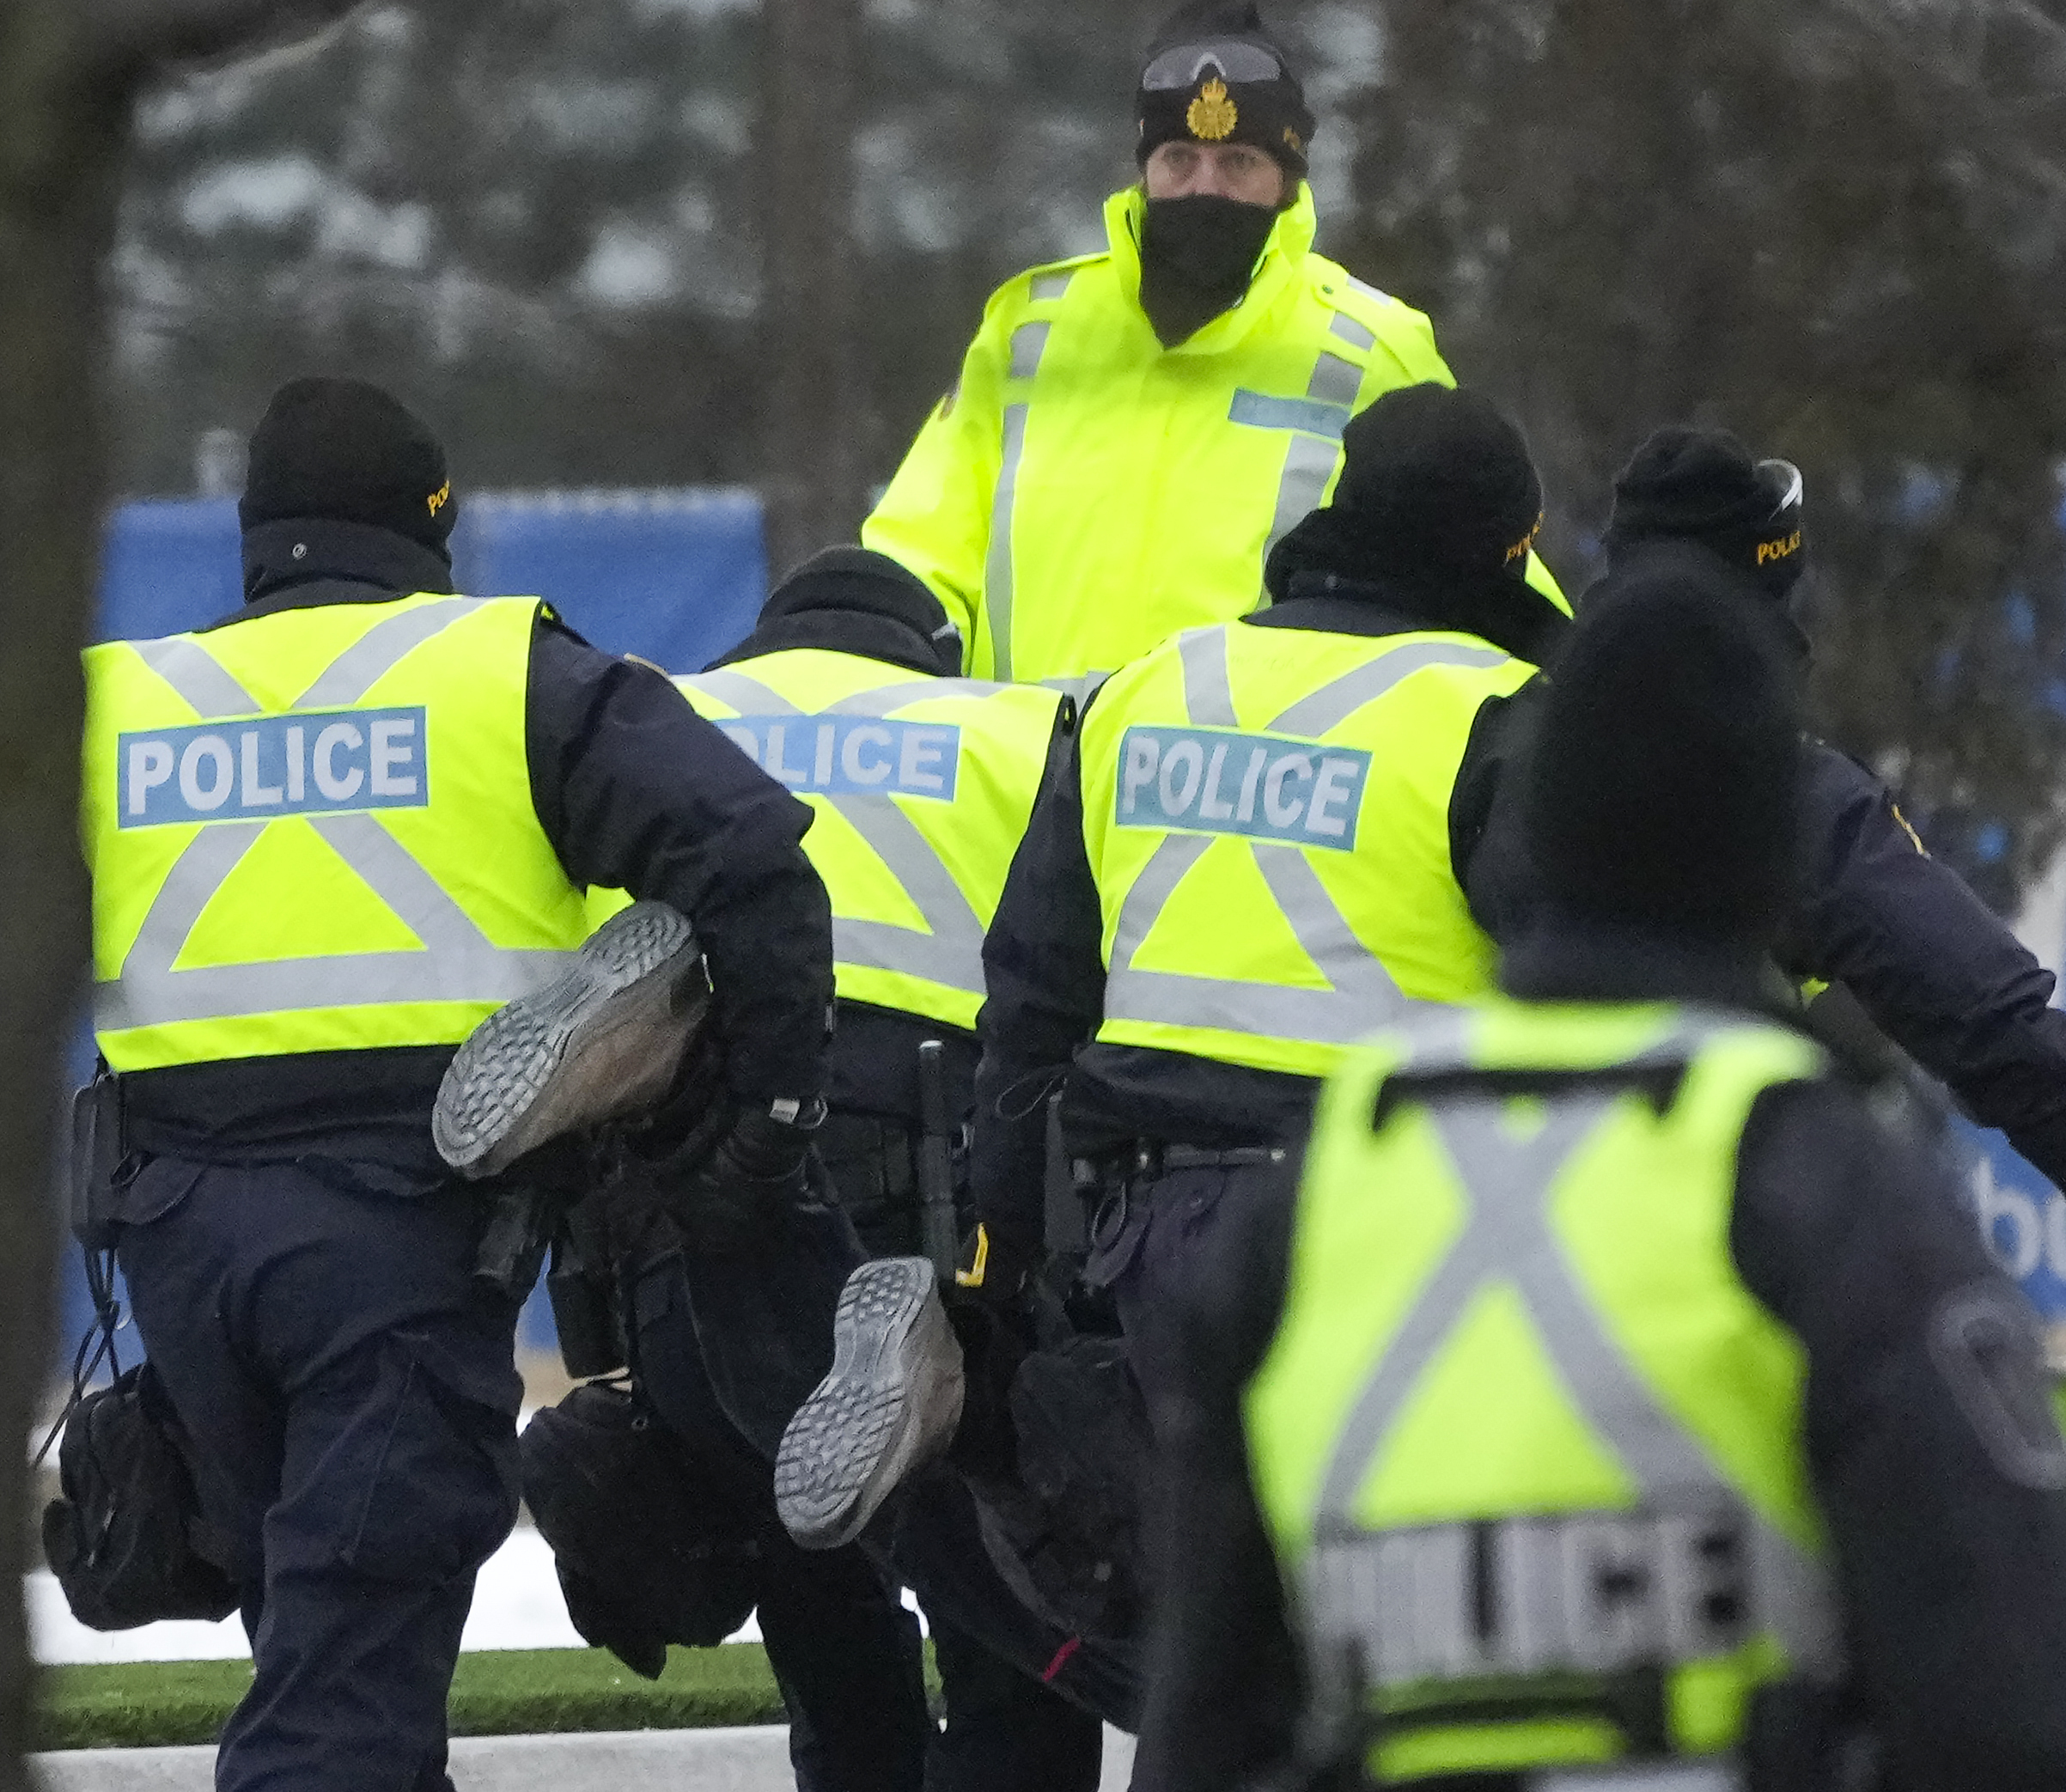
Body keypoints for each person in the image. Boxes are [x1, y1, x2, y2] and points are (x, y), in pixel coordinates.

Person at [1134, 565, 2066, 1792]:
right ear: (1767, 863)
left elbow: (1200, 1723)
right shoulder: (1819, 1181)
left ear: (1542, 834)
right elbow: (2019, 1716)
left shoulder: (1325, 1183)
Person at [76, 376, 834, 1792]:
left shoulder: (118, 704)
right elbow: (749, 857)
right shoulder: (505, 672)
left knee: (321, 1639)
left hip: (174, 1246)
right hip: (402, 1237)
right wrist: (762, 1117)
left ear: (255, 534)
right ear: (434, 523)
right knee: (349, 1676)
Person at [778, 381, 1569, 1551]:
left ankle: (988, 1413)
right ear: (1505, 554)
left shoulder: (1143, 688)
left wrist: (996, 1253)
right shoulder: (1499, 715)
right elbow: (1586, 982)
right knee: (1392, 1600)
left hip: (1154, 1224)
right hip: (1397, 1217)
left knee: (1196, 1612)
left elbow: (1033, 995)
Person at [552, 549, 1124, 1787]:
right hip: (930, 1216)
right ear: (931, 654)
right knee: (1008, 1636)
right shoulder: (1015, 725)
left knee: (815, 1595)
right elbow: (1073, 995)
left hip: (697, 1216)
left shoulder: (660, 717)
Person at [1563, 427, 2066, 1374]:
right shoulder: (1778, 794)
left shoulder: (1478, 739)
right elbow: (1978, 1009)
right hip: (1676, 1285)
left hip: (1399, 1263)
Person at [862, 1, 1562, 689]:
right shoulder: (1030, 332)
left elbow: (1488, 577)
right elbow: (918, 558)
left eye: (1238, 162)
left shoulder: (1372, 348)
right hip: (1030, 784)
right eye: (1179, 158)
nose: (1205, 188)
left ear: (1286, 180)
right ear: (1144, 169)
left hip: (1245, 790)